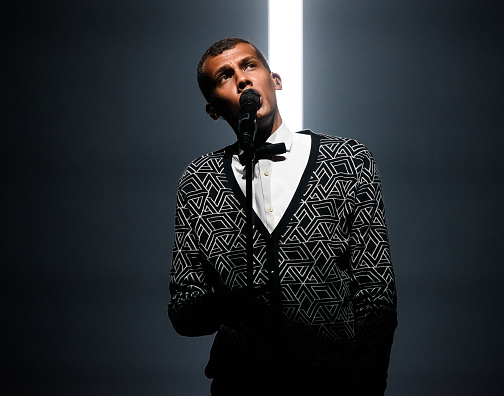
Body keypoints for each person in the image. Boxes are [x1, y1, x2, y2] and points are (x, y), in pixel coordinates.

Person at [168, 37, 397, 395]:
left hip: (335, 385)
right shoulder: (199, 181)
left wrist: (366, 385)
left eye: (249, 66)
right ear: (212, 108)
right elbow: (183, 309)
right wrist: (233, 304)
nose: (242, 79)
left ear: (275, 80)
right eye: (224, 76)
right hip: (241, 386)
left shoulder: (347, 161)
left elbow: (377, 294)